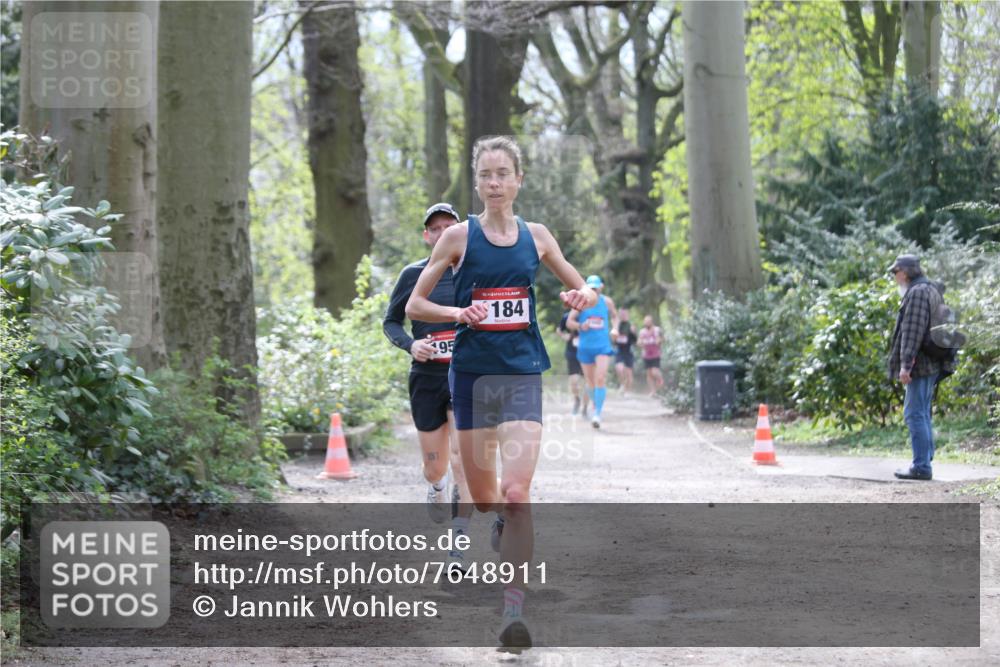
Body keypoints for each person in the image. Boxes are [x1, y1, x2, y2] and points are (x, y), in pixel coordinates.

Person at [406, 135, 597, 652]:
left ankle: (513, 611)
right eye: (486, 175)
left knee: (515, 495)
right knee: (485, 498)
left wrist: (584, 295)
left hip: (521, 375)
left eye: (503, 174)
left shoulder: (536, 237)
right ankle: (492, 523)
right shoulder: (457, 239)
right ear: (478, 182)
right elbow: (416, 306)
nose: (494, 183)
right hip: (469, 379)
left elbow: (586, 290)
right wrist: (456, 314)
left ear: (518, 180)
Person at [382, 202, 473, 570]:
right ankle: (435, 488)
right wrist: (412, 345)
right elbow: (391, 322)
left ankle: (458, 551)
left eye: (447, 227)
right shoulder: (414, 274)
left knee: (461, 462)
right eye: (434, 229)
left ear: (458, 232)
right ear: (426, 235)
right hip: (426, 378)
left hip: (465, 376)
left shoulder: (475, 273)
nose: (440, 234)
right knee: (435, 466)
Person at [887, 254, 954, 481]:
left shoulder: (916, 293)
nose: (895, 278)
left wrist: (905, 366)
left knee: (914, 413)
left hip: (921, 365)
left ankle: (921, 466)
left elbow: (912, 333)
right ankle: (925, 458)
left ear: (904, 272)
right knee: (922, 412)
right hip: (932, 363)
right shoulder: (931, 289)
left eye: (895, 273)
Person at [567, 275, 618, 428]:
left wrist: (615, 328)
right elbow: (569, 322)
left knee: (600, 378)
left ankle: (597, 413)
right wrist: (580, 326)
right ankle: (595, 403)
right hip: (585, 347)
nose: (594, 291)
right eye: (592, 288)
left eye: (596, 288)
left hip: (602, 346)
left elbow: (615, 317)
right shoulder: (580, 302)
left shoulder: (607, 302)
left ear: (601, 287)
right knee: (590, 382)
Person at [557, 310, 590, 416]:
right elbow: (559, 329)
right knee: (574, 381)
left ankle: (585, 408)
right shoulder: (567, 316)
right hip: (572, 352)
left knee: (588, 383)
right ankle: (577, 400)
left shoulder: (590, 315)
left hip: (588, 352)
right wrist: (564, 336)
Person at [638, 315, 665, 395]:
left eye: (648, 321)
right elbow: (639, 342)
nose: (647, 323)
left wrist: (659, 340)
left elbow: (663, 339)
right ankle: (653, 391)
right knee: (649, 374)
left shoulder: (657, 330)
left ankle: (660, 379)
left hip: (656, 354)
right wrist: (641, 343)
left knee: (654, 371)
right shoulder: (642, 331)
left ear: (651, 322)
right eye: (645, 322)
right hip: (646, 355)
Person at [613, 307, 637, 394]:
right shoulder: (616, 326)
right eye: (621, 314)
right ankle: (622, 385)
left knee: (629, 374)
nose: (623, 316)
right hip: (619, 351)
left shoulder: (630, 326)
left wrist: (633, 333)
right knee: (619, 368)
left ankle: (627, 391)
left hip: (628, 352)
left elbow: (635, 341)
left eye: (624, 314)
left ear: (628, 315)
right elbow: (613, 340)